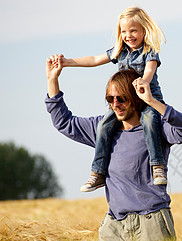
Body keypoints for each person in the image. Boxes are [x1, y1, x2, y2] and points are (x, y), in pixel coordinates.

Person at [45, 54, 182, 241]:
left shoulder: (156, 129)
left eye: (122, 99)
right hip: (114, 225)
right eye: (110, 99)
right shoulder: (102, 130)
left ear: (135, 98)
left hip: (152, 223)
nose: (115, 104)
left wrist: (152, 101)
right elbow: (64, 122)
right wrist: (52, 80)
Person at [59, 6, 167, 192]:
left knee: (150, 122)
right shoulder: (120, 51)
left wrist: (144, 81)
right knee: (103, 126)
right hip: (125, 101)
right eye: (124, 31)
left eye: (133, 30)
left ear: (143, 30)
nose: (128, 35)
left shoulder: (149, 51)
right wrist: (68, 62)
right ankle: (98, 172)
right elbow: (94, 59)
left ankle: (157, 166)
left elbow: (150, 70)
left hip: (147, 100)